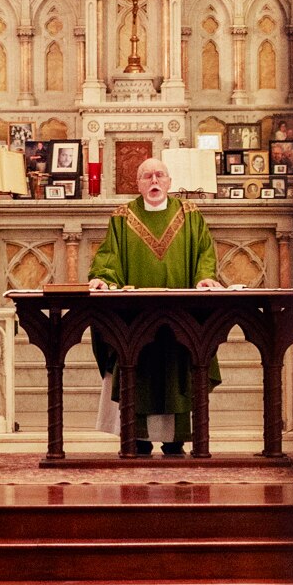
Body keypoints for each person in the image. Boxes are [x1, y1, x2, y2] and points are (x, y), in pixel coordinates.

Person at [86, 152, 227, 456]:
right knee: (137, 367)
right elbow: (108, 257)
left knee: (177, 367)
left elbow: (205, 253)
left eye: (159, 175)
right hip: (134, 318)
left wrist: (204, 277)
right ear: (137, 183)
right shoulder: (122, 217)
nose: (154, 180)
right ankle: (138, 438)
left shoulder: (190, 214)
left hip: (181, 315)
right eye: (147, 176)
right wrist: (103, 278)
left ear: (169, 182)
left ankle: (175, 440)